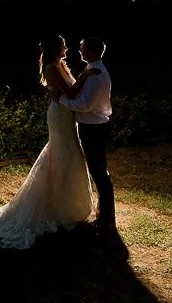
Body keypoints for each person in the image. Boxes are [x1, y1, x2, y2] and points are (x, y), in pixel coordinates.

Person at [0, 34, 95, 249]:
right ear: (56, 48)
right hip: (60, 116)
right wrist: (86, 75)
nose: (67, 47)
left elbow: (72, 93)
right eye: (63, 45)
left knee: (68, 153)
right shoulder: (51, 67)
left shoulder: (59, 64)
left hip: (67, 114)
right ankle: (60, 207)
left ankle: (66, 204)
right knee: (64, 154)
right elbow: (71, 91)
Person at [51, 37, 123, 251]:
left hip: (94, 128)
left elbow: (84, 104)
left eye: (82, 48)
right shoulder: (93, 69)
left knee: (99, 172)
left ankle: (106, 217)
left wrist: (60, 100)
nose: (79, 50)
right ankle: (105, 214)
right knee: (99, 171)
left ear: (91, 51)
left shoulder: (96, 75)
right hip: (94, 126)